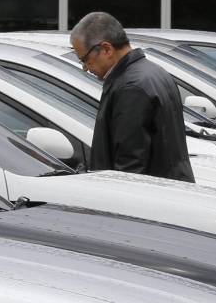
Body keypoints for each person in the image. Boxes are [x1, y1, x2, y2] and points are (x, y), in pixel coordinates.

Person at [69, 12, 195, 182]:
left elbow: (129, 164)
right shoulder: (153, 72)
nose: (85, 68)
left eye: (85, 60)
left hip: (148, 198)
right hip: (168, 187)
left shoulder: (131, 87)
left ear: (106, 49)